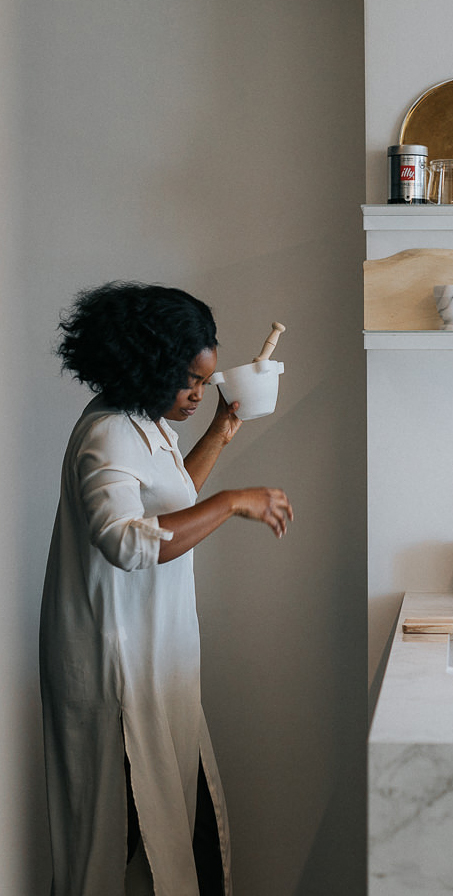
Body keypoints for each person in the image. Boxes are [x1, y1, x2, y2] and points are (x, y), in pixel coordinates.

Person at [39, 282, 293, 896]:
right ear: (147, 367)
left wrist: (221, 430)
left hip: (153, 657)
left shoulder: (142, 422)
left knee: (169, 826)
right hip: (115, 666)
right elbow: (127, 542)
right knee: (119, 842)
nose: (198, 394)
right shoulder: (107, 433)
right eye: (191, 382)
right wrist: (231, 502)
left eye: (204, 382)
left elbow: (169, 500)